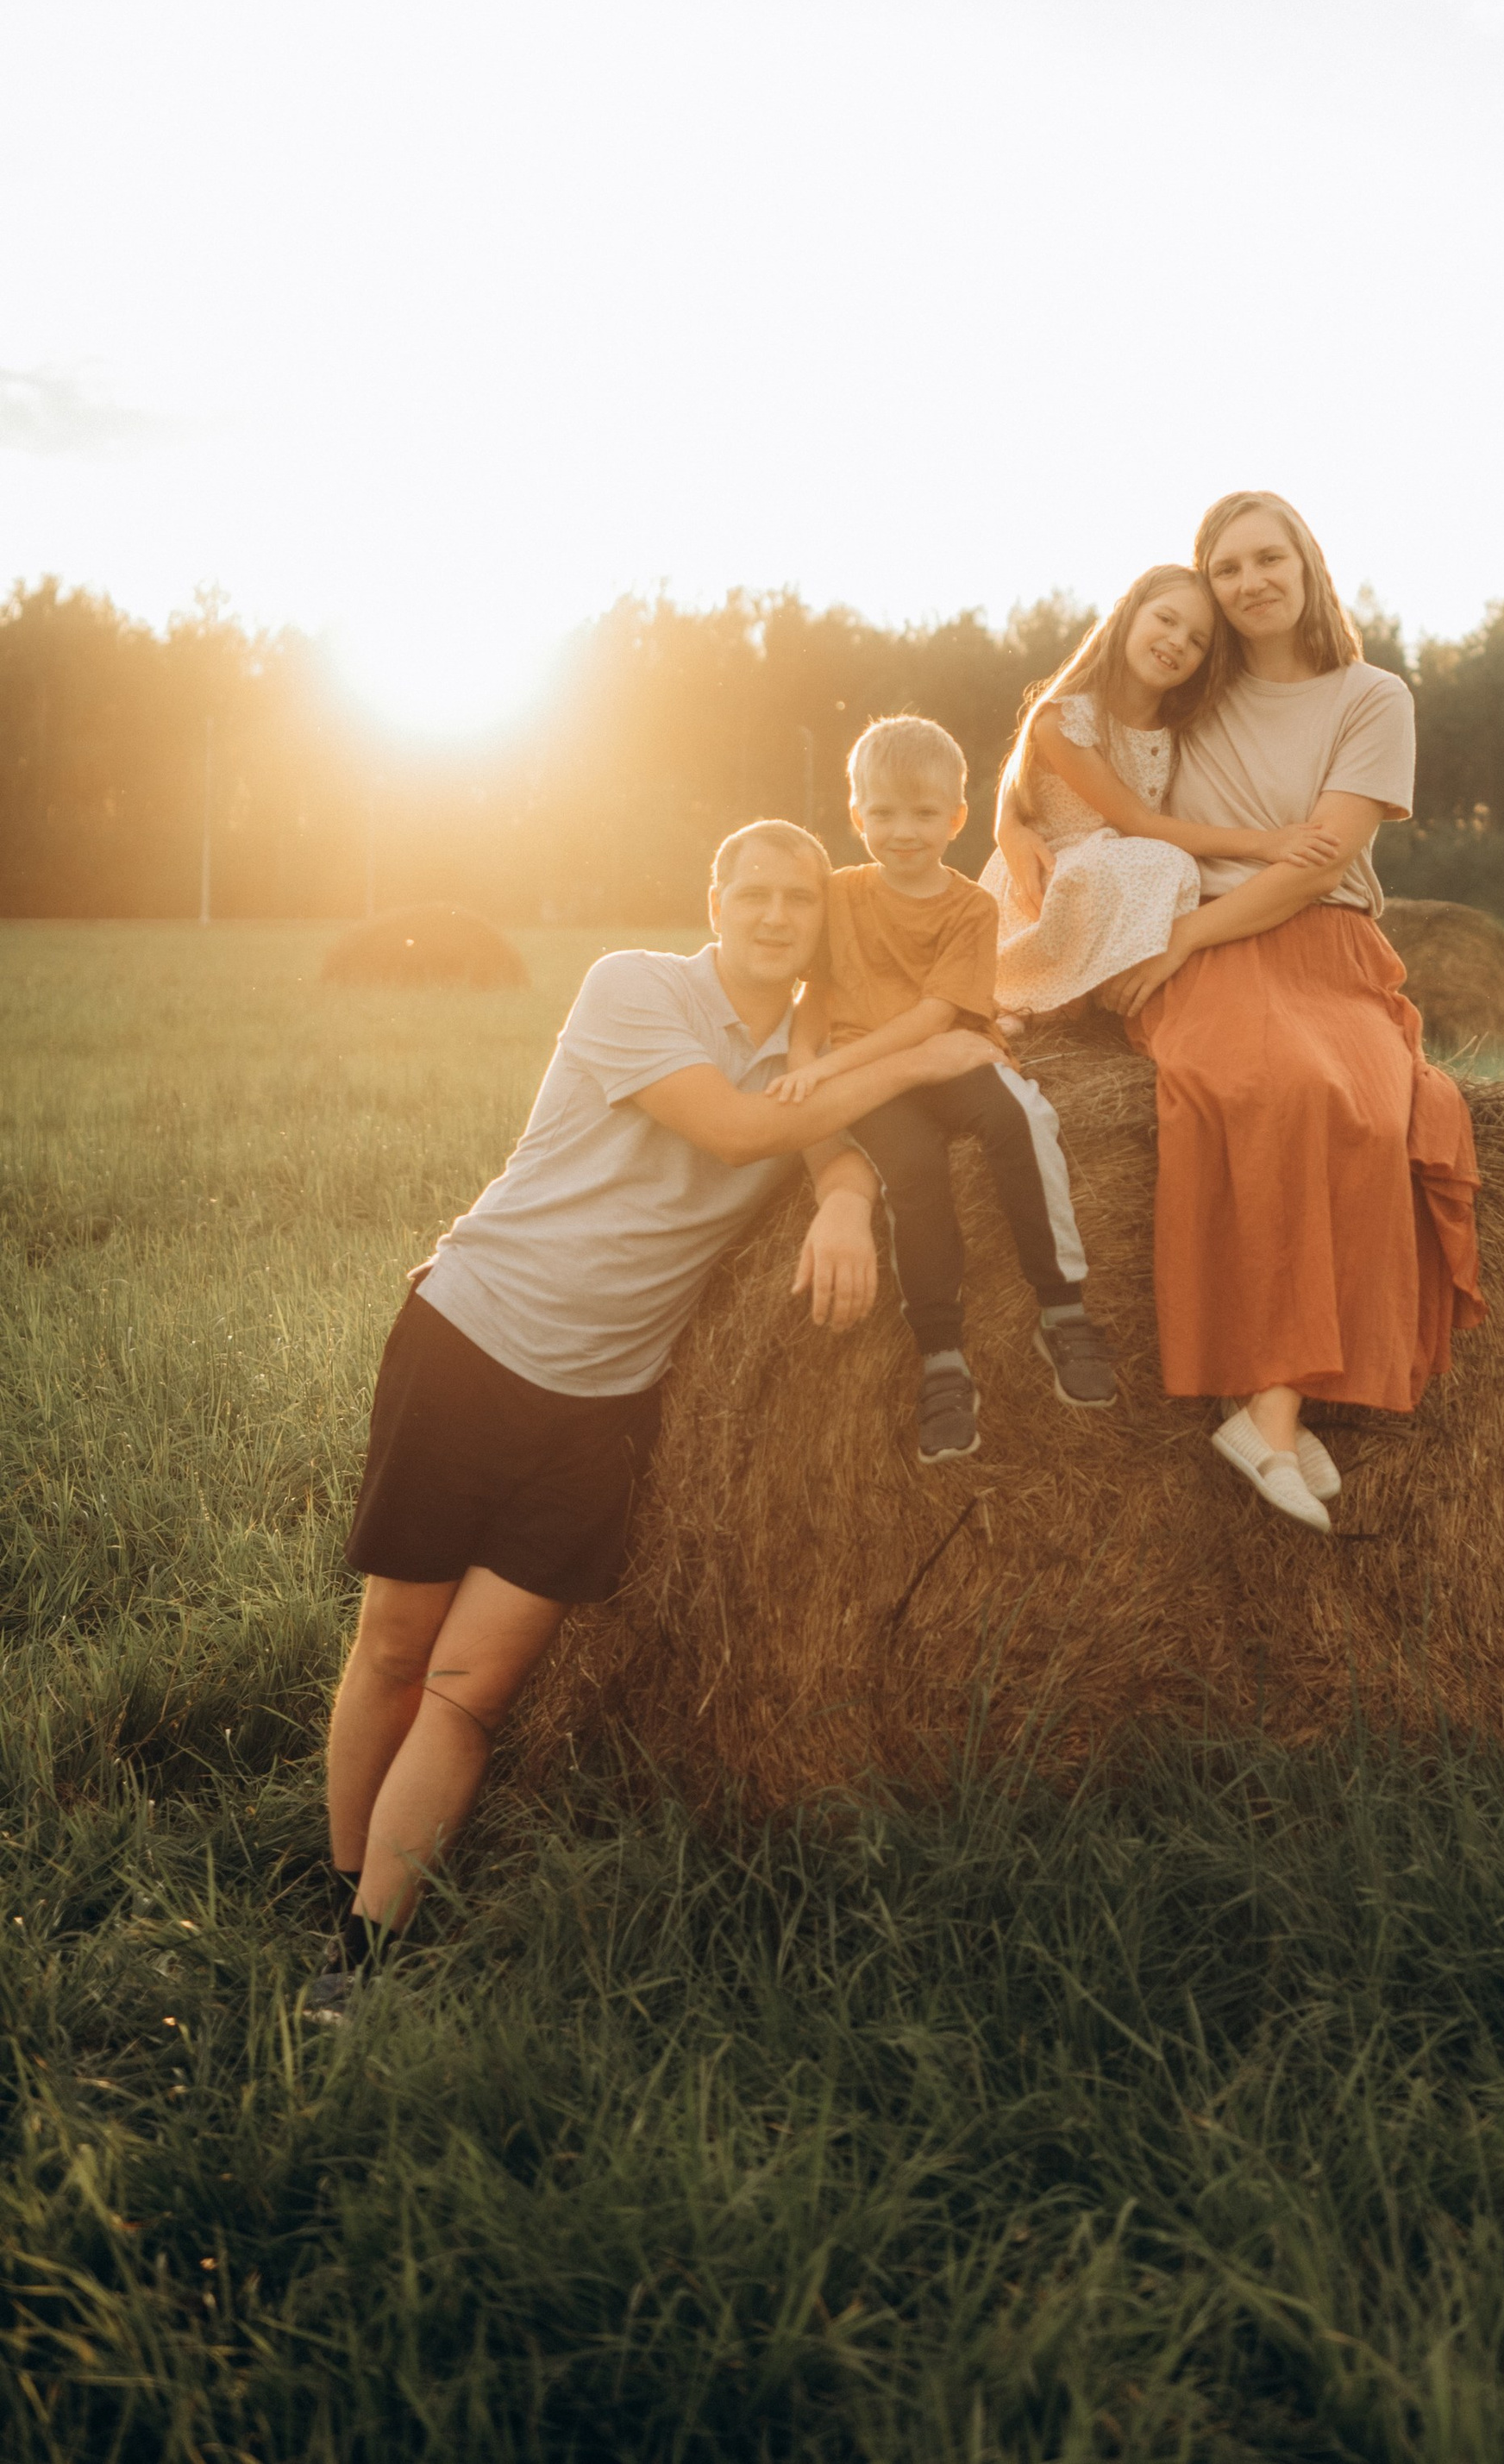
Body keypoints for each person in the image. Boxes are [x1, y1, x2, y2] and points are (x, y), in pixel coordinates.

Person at [309, 820, 1004, 2023]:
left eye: (801, 897)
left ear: (818, 919)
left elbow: (821, 1143)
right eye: (757, 891)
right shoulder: (634, 986)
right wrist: (917, 1059)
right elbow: (740, 1132)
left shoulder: (811, 1051)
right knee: (397, 1648)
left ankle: (364, 1957)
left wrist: (845, 1204)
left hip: (603, 1410)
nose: (780, 913)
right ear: (716, 897)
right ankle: (331, 1884)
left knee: (471, 1688)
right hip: (471, 1342)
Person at [1000, 493, 1482, 1533]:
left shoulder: (1373, 696)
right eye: (1226, 570)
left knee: (1360, 1102)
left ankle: (1271, 1406)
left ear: (1305, 564)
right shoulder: (1192, 687)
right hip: (1204, 934)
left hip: (1313, 942)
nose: (1249, 582)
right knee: (1259, 1085)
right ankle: (1266, 1410)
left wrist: (1177, 946)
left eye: (1267, 559)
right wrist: (1008, 819)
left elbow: (1319, 865)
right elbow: (1065, 726)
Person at [768, 713, 1115, 1462]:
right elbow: (816, 999)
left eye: (924, 813)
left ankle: (1063, 1310)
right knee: (915, 1172)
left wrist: (831, 1068)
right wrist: (805, 1058)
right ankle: (941, 1359)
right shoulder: (839, 895)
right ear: (857, 815)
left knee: (1019, 1119)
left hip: (952, 1053)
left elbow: (934, 1017)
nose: (903, 830)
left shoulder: (971, 907)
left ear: (956, 818)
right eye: (884, 813)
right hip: (873, 1079)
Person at [979, 561, 1344, 1026]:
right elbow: (1140, 823)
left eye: (1197, 642)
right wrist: (1268, 843)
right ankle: (1032, 1001)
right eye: (1166, 620)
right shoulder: (1066, 721)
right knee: (1163, 862)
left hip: (1111, 873)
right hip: (1054, 876)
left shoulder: (1179, 727)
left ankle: (1094, 997)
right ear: (1128, 615)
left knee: (1158, 867)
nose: (1177, 641)